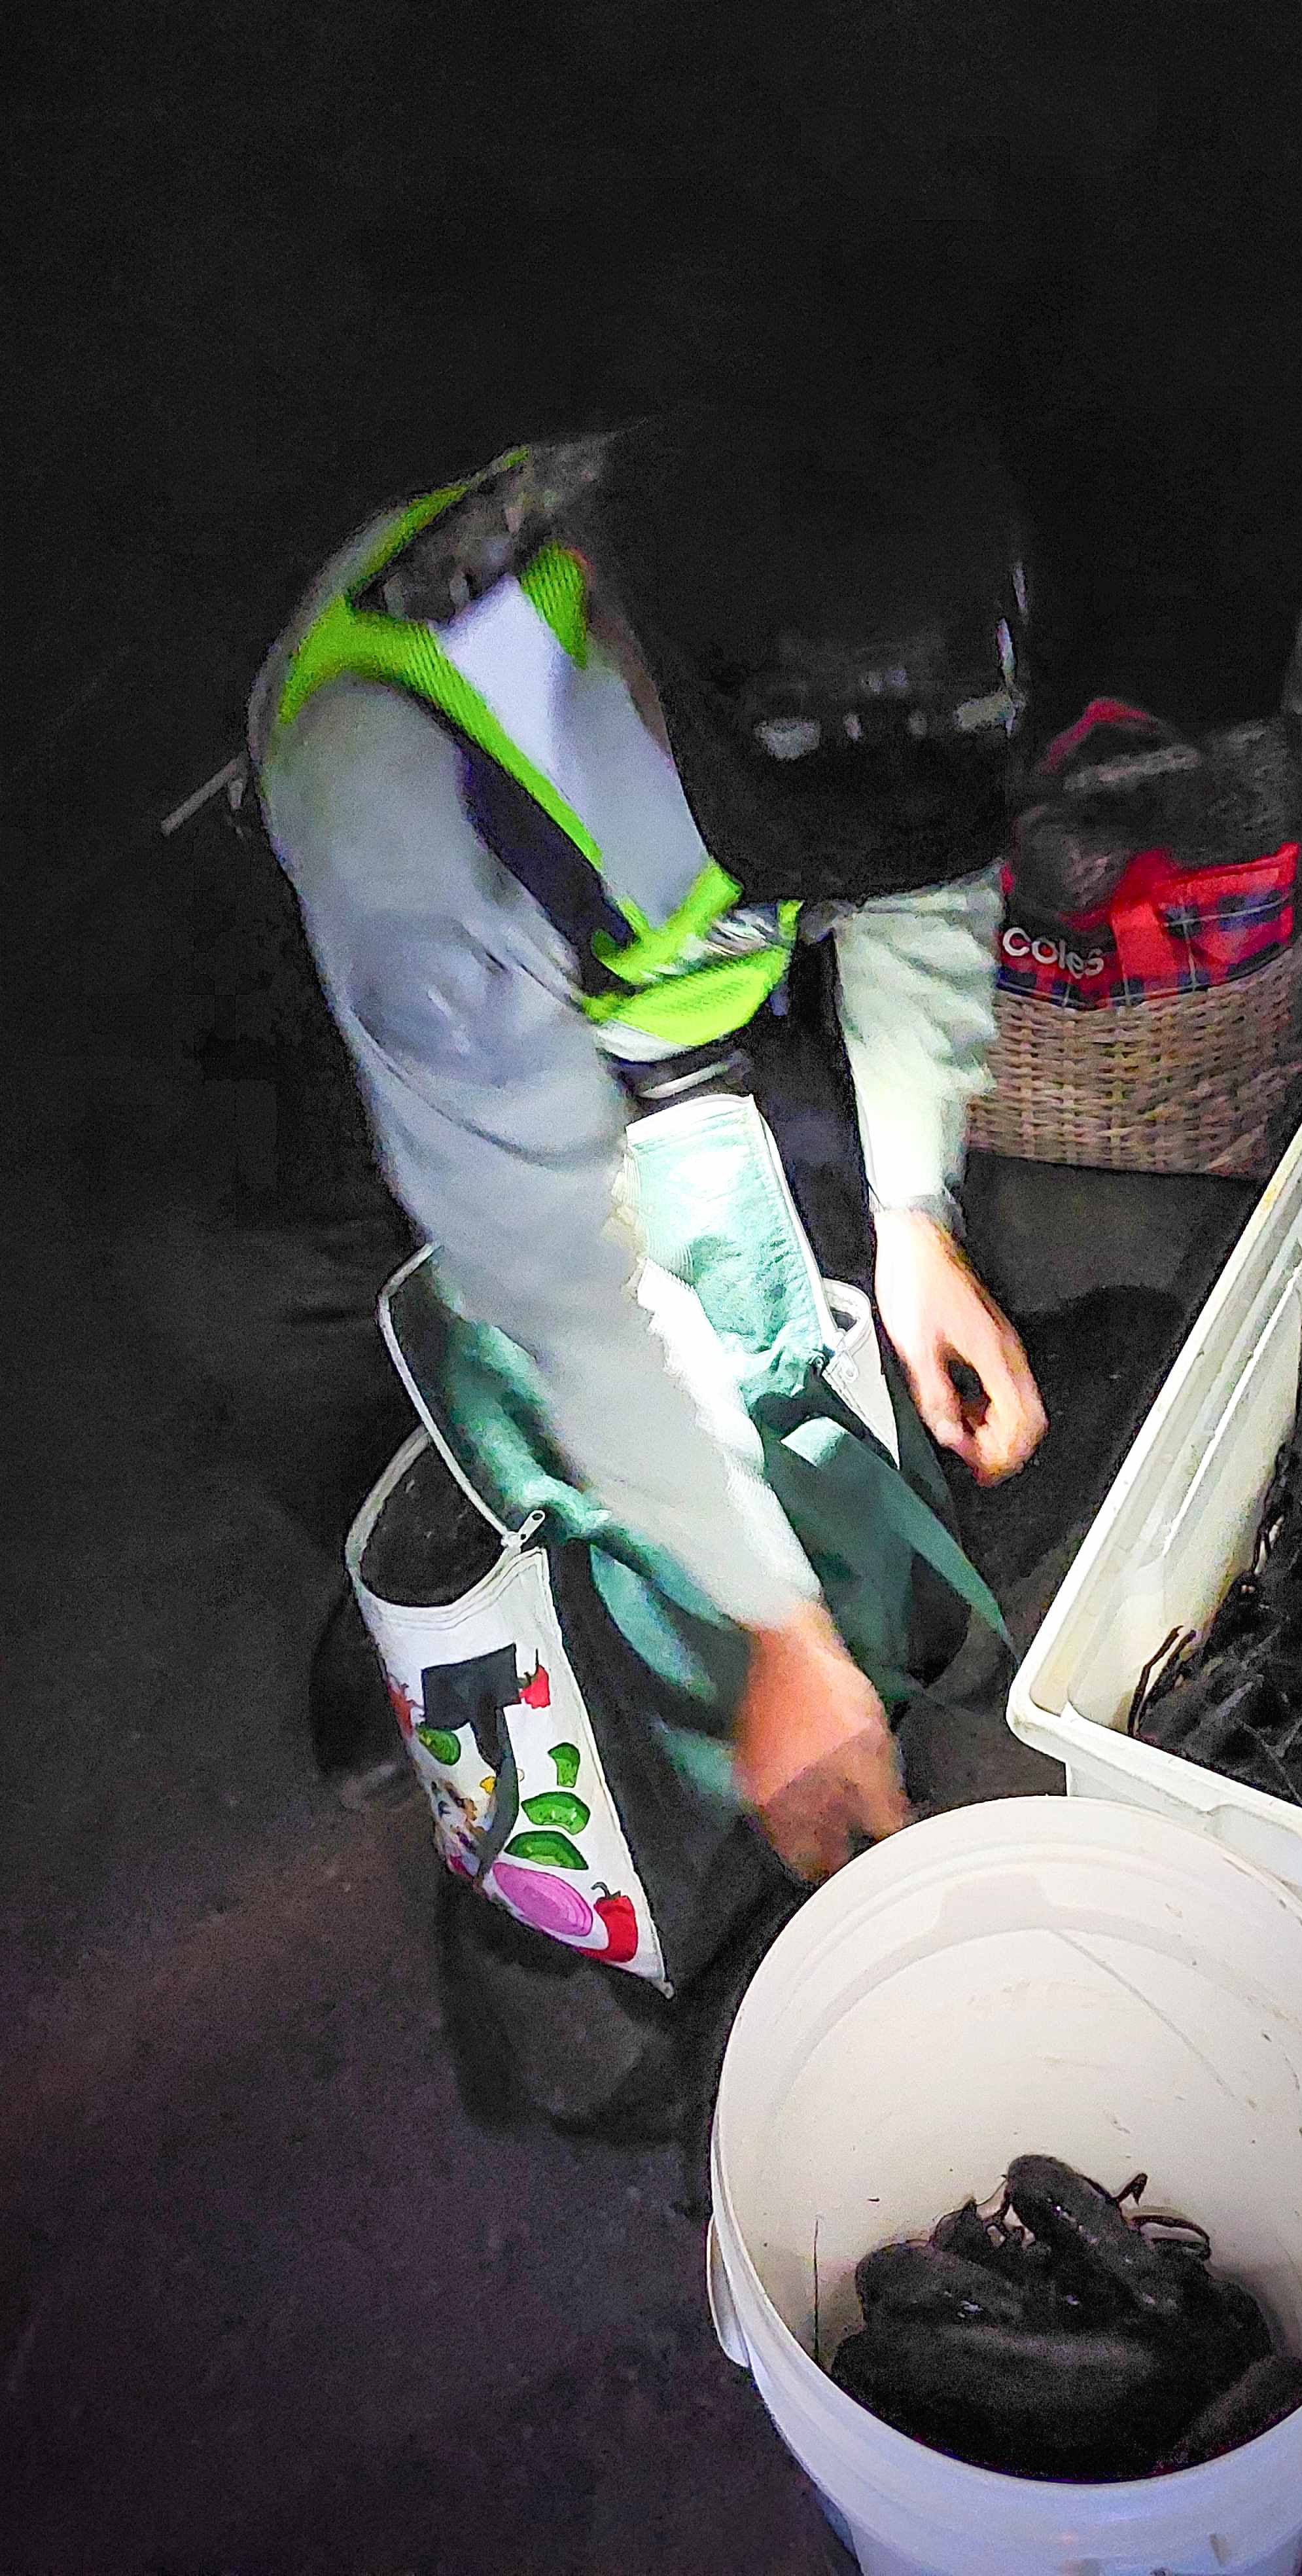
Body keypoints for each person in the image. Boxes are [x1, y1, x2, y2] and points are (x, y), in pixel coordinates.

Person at [248, 380, 1047, 1922]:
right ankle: (431, 1620)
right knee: (391, 1321)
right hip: (412, 972)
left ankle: (706, 1553)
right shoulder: (405, 802)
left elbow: (922, 883)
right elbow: (550, 1269)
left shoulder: (897, 600)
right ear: (647, 668)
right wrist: (780, 1633)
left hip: (655, 953)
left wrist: (915, 1215)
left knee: (760, 1231)